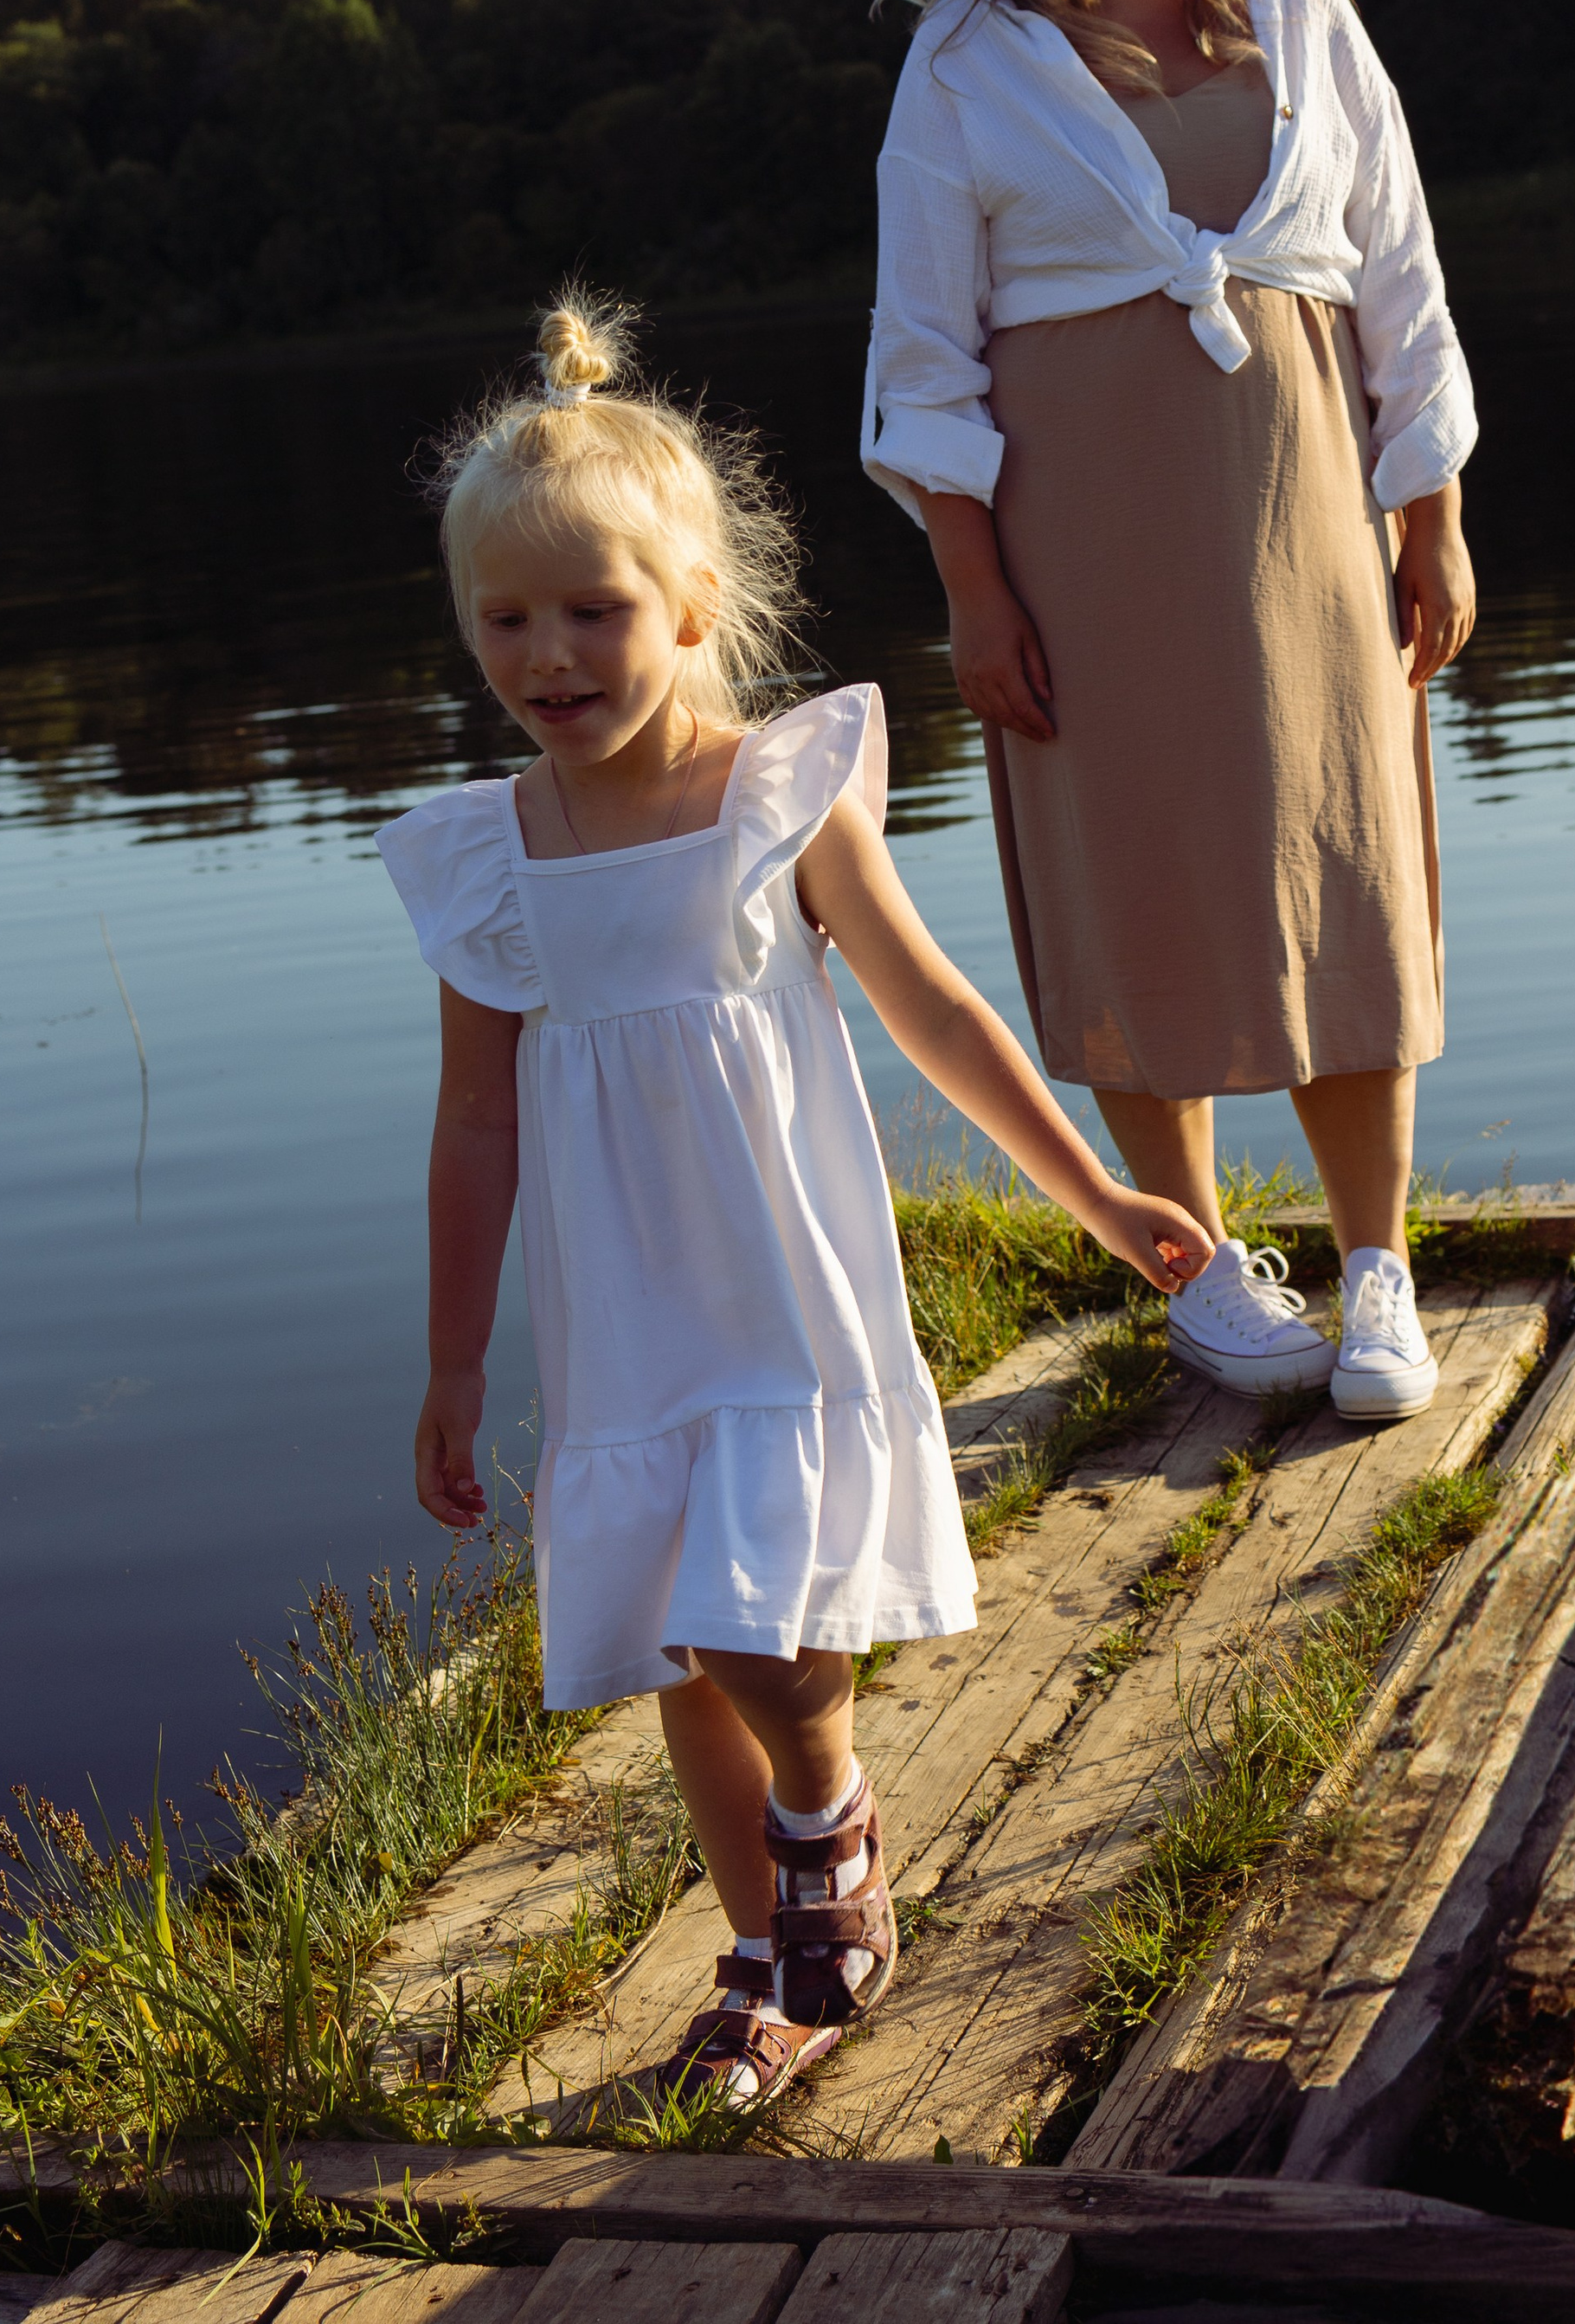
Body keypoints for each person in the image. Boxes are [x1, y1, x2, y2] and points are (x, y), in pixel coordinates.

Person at [382, 296, 1210, 2112]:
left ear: (686, 607)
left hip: (774, 1275)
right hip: (623, 1308)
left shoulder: (775, 791)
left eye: (591, 610)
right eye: (504, 620)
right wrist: (453, 1366)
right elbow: (472, 1125)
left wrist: (1093, 1192)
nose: (548, 653)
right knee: (689, 1643)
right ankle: (767, 1961)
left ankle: (829, 1814)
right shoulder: (486, 861)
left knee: (763, 1611)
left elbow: (931, 1006)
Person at [863, 0, 1478, 1422]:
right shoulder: (967, 51)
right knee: (1129, 865)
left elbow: (1396, 270)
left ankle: (1375, 1274)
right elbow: (922, 348)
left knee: (1342, 854)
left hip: (1303, 500)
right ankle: (1199, 1270)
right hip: (1079, 525)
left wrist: (1429, 512)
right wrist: (972, 585)